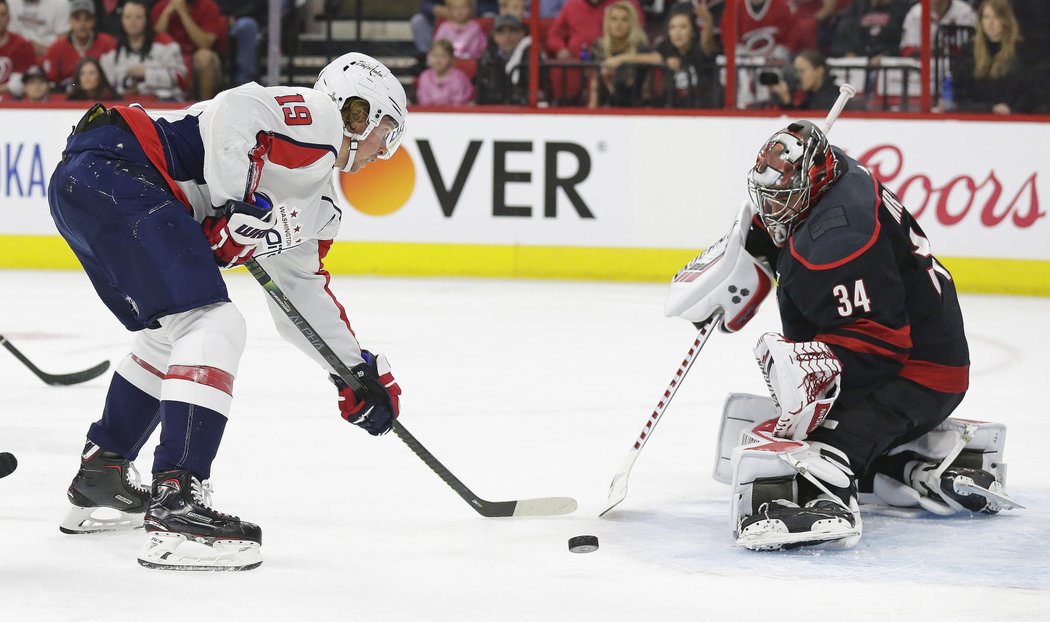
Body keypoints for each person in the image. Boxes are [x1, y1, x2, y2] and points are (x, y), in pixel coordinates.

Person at [49, 52, 407, 571]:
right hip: (122, 167)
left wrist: (352, 371)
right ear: (360, 112)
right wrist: (229, 203)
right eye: (387, 131)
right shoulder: (319, 121)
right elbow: (237, 112)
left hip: (95, 180)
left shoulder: (318, 204)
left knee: (171, 334)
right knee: (214, 322)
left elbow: (300, 296)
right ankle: (178, 503)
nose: (384, 151)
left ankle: (102, 473)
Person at [665, 118, 1020, 551]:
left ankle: (828, 499)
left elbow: (882, 346)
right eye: (769, 198)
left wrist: (815, 375)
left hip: (919, 373)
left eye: (783, 199)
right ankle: (913, 466)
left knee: (812, 443)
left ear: (813, 182)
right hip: (925, 348)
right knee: (796, 414)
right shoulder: (837, 171)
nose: (774, 209)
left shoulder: (839, 240)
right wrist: (757, 246)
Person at [100, 0, 188, 101]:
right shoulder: (113, 51)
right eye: (128, 17)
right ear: (122, 20)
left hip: (164, 103)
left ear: (147, 19)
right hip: (124, 104)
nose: (133, 22)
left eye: (138, 17)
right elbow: (106, 87)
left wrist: (146, 74)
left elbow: (181, 79)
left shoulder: (165, 44)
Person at [948, 0, 1023, 114]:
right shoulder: (969, 50)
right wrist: (989, 108)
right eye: (986, 17)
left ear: (1006, 20)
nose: (990, 23)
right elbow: (960, 96)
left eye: (996, 17)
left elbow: (1025, 93)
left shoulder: (1019, 51)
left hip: (1013, 119)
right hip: (977, 117)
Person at [152, 0, 227, 99]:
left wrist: (183, 13)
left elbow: (205, 43)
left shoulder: (208, 6)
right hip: (170, 58)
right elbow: (153, 40)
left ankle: (205, 108)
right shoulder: (161, 7)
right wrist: (167, 13)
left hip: (196, 57)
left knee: (205, 57)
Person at [587, 0, 654, 108]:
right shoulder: (599, 47)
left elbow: (657, 59)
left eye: (624, 20)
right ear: (608, 22)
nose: (618, 24)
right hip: (605, 107)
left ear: (631, 23)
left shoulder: (640, 46)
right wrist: (591, 109)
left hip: (634, 108)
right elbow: (594, 85)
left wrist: (622, 59)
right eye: (614, 19)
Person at [654, 3, 721, 108]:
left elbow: (707, 44)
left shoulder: (701, 51)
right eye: (672, 27)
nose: (677, 32)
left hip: (703, 112)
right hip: (673, 113)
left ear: (692, 31)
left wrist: (708, 21)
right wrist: (665, 61)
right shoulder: (664, 48)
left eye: (683, 27)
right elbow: (649, 56)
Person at [42, 0, 117, 92]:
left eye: (87, 19)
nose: (82, 24)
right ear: (70, 21)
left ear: (93, 20)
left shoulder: (107, 43)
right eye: (77, 19)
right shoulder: (56, 48)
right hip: (66, 98)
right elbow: (50, 81)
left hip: (100, 96)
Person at [546, 0, 645, 61]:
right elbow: (554, 35)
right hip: (577, 65)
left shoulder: (624, 4)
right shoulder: (572, 5)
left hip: (615, 62)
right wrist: (560, 49)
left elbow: (637, 31)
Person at [475, 12, 534, 104]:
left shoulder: (531, 56)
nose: (507, 36)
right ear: (494, 36)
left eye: (512, 30)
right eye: (501, 32)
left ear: (521, 33)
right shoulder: (487, 58)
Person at [830, 0, 910, 59]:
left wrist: (887, 54)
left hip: (889, 64)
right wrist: (847, 52)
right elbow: (842, 35)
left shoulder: (902, 8)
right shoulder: (858, 7)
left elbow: (905, 41)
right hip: (858, 61)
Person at [899, 0, 975, 58]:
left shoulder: (965, 13)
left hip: (957, 66)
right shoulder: (916, 13)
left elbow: (975, 48)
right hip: (923, 68)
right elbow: (908, 50)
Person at [768, 49, 841, 110]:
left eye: (802, 71)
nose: (798, 77)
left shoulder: (836, 99)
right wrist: (787, 101)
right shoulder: (807, 96)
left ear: (819, 71)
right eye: (796, 72)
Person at [417, 38, 475, 105]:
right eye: (434, 55)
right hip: (429, 114)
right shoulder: (425, 77)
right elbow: (423, 101)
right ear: (429, 56)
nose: (438, 61)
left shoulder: (459, 77)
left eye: (443, 56)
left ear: (451, 59)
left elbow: (459, 102)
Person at [0, 0, 35, 99]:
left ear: (9, 18)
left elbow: (18, 85)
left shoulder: (21, 45)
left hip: (14, 104)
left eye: (2, 14)